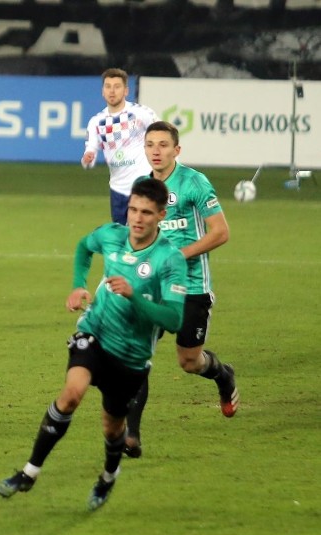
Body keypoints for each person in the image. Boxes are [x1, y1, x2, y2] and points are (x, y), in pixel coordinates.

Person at [0, 178, 187, 511]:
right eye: (133, 210)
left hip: (131, 355)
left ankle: (109, 476)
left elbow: (173, 320)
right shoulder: (112, 235)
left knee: (113, 428)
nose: (137, 219)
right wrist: (77, 286)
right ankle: (29, 472)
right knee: (71, 394)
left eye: (146, 212)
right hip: (94, 333)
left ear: (161, 215)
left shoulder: (170, 260)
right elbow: (84, 247)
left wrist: (135, 296)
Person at [123, 121, 239, 458]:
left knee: (189, 361)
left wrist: (178, 255)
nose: (156, 151)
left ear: (177, 150)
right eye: (150, 145)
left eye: (163, 145)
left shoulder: (194, 182)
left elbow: (220, 232)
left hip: (191, 286)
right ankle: (131, 435)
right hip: (153, 287)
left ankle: (223, 375)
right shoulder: (142, 185)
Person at [82, 68, 160, 225]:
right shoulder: (96, 122)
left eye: (117, 86)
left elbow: (164, 137)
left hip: (143, 184)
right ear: (102, 91)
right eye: (108, 86)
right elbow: (89, 158)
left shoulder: (142, 113)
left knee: (144, 235)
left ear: (126, 91)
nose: (112, 91)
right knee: (123, 239)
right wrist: (88, 159)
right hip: (117, 189)